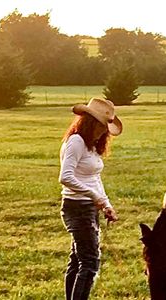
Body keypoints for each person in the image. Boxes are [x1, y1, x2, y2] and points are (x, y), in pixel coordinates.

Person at [59, 97, 123, 300]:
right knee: (90, 262)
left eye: (105, 127)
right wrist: (94, 196)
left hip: (89, 208)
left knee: (78, 260)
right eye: (100, 126)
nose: (103, 131)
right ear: (89, 121)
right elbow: (65, 177)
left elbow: (94, 178)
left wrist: (106, 204)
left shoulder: (92, 145)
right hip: (76, 208)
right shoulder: (76, 141)